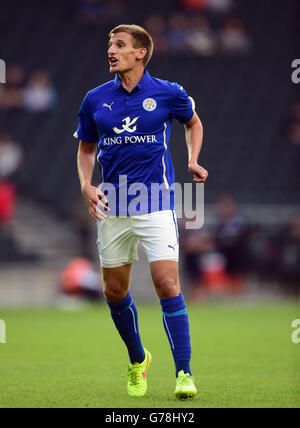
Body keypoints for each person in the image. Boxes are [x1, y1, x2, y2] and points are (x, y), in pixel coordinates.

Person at [74, 24, 208, 399]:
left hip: (155, 203)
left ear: (141, 52)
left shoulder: (169, 93)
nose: (111, 51)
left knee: (168, 284)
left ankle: (184, 373)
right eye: (109, 45)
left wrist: (193, 159)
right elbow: (85, 148)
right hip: (112, 206)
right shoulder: (95, 99)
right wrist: (86, 185)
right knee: (114, 292)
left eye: (119, 45)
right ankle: (138, 359)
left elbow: (193, 123)